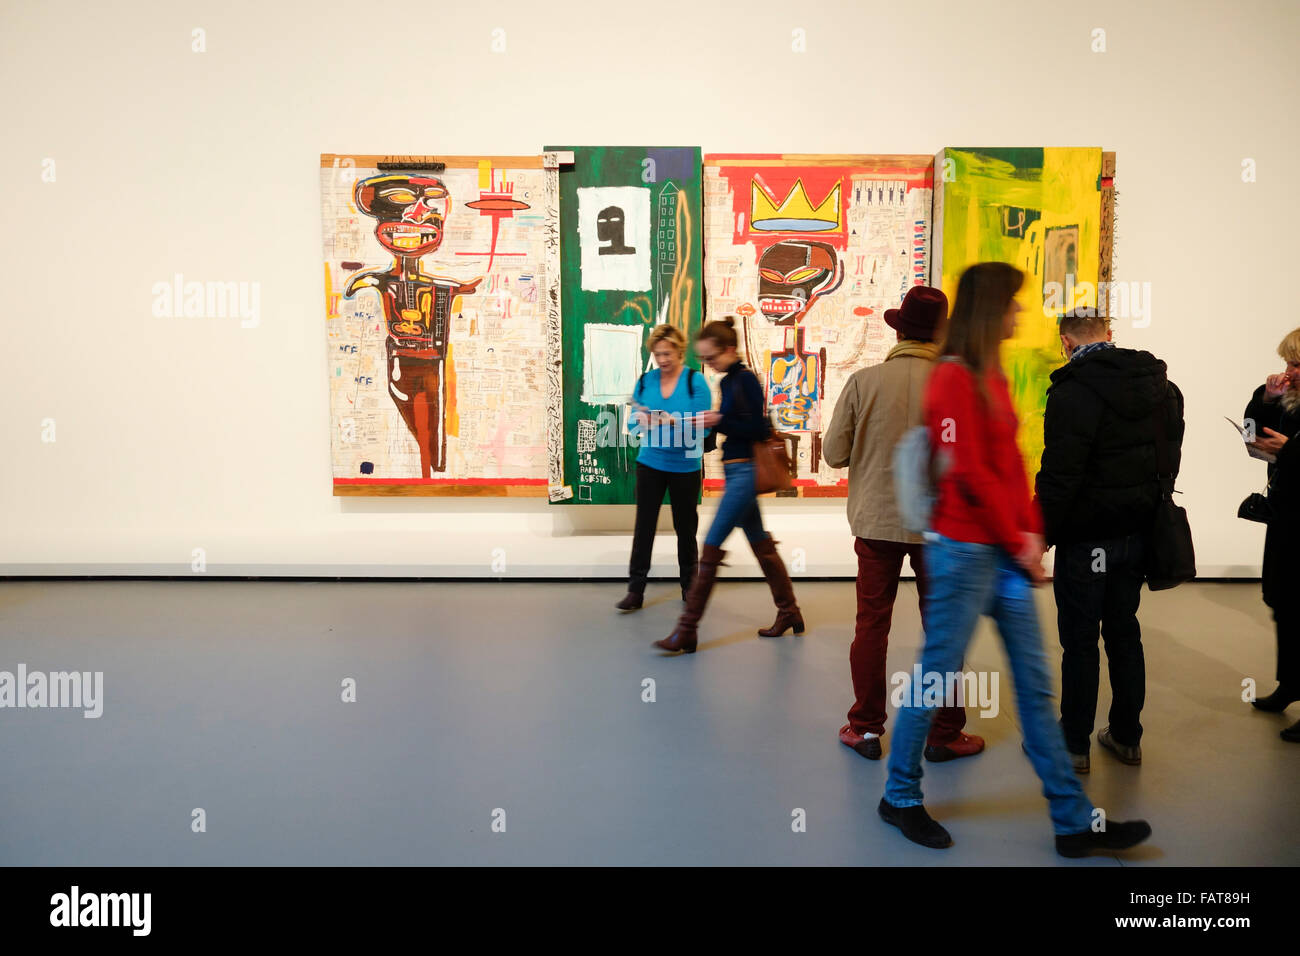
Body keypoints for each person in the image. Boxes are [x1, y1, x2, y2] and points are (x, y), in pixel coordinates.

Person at [879, 262, 1151, 857]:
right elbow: (970, 474)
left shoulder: (991, 377)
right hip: (961, 552)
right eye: (1013, 304)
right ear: (990, 309)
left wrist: (1028, 532)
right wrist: (1020, 538)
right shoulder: (950, 380)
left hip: (1001, 553)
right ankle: (898, 796)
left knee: (1033, 686)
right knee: (934, 677)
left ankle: (1073, 821)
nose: (1020, 314)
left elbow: (1008, 468)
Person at [823, 286, 984, 763]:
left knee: (872, 624)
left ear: (899, 330)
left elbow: (833, 454)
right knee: (943, 629)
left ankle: (866, 728)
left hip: (876, 523)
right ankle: (946, 732)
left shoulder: (863, 381)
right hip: (941, 530)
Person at [1034, 310, 1184, 771]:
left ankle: (1074, 745)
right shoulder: (1164, 389)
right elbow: (1169, 458)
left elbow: (1060, 477)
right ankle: (1126, 736)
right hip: (1138, 533)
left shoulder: (1071, 392)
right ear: (1110, 336)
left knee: (1080, 642)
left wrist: (1039, 534)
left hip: (1086, 540)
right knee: (1124, 632)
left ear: (1065, 342)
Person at [654, 316, 803, 654]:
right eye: (704, 359)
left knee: (710, 545)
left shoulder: (745, 380)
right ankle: (789, 612)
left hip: (746, 471)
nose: (708, 364)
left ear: (730, 350)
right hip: (736, 471)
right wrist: (711, 422)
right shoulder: (728, 382)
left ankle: (687, 630)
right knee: (760, 541)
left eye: (711, 357)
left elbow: (756, 429)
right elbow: (739, 424)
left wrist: (719, 419)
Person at [616, 325, 713, 610]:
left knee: (685, 528)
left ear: (680, 352)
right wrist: (642, 420)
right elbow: (632, 424)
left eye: (667, 353)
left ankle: (690, 588)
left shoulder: (696, 382)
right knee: (643, 526)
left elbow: (704, 429)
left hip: (685, 466)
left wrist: (674, 421)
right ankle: (635, 590)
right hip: (650, 463)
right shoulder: (645, 382)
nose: (662, 359)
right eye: (657, 354)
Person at [1244, 328, 1300, 740]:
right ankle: (1290, 685)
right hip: (1286, 516)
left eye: (1295, 364)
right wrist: (1263, 400)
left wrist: (1291, 452)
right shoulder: (1287, 399)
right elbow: (1250, 433)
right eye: (1286, 362)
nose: (1288, 371)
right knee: (1283, 600)